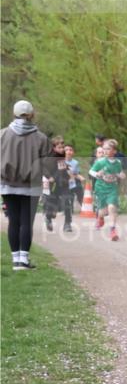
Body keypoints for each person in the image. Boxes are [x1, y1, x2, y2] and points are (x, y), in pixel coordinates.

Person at [1, 100, 49, 270]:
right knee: (26, 222)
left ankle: (15, 261)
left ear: (14, 113)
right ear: (31, 114)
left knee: (13, 221)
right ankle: (24, 260)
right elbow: (46, 164)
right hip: (31, 186)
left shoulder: (2, 134)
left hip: (7, 184)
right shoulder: (41, 138)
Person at [89, 138, 125, 241]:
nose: (105, 151)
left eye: (108, 149)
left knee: (112, 208)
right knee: (103, 212)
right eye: (104, 149)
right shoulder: (100, 162)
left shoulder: (117, 162)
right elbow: (91, 171)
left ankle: (113, 230)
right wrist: (97, 174)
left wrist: (121, 175)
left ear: (114, 151)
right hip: (101, 188)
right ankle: (100, 218)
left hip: (112, 188)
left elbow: (120, 172)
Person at [41, 135, 73, 232]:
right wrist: (49, 177)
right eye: (59, 147)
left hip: (62, 181)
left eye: (63, 147)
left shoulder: (62, 154)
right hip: (51, 182)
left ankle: (67, 224)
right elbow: (43, 167)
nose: (62, 149)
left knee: (67, 200)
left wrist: (67, 169)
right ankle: (48, 217)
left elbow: (61, 167)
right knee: (50, 202)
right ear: (54, 148)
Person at [64, 145, 84, 210]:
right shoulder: (61, 161)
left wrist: (81, 177)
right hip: (65, 181)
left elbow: (76, 174)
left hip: (74, 180)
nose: (68, 152)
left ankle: (84, 207)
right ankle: (68, 209)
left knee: (79, 188)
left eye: (70, 150)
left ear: (73, 152)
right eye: (66, 150)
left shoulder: (75, 163)